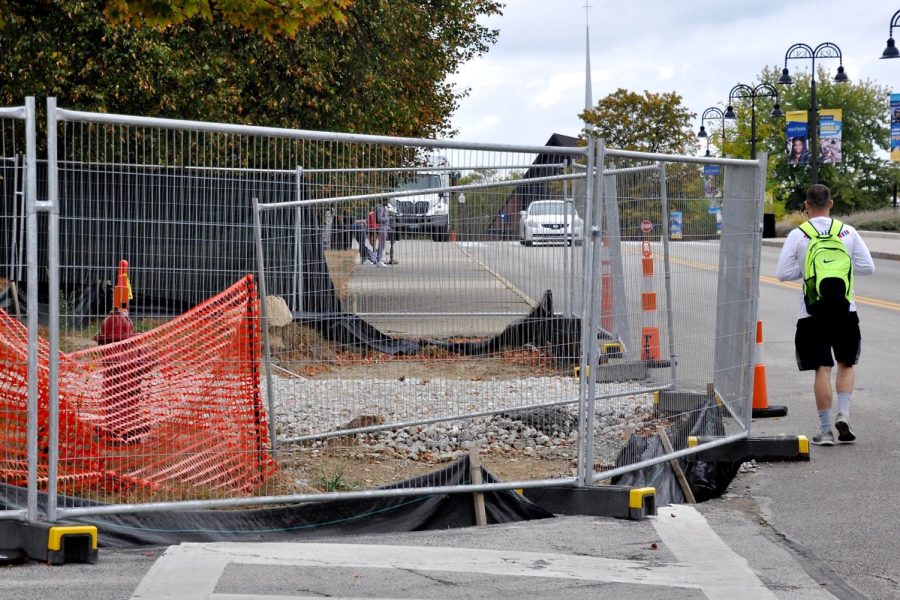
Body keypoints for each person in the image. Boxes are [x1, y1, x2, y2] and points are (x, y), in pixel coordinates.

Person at [775, 184, 875, 446]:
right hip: (846, 309)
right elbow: (868, 267)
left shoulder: (799, 234)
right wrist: (841, 269)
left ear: (806, 206)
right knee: (846, 363)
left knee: (822, 367)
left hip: (812, 311)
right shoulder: (848, 231)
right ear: (830, 204)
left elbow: (783, 274)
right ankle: (844, 414)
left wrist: (810, 272)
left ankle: (826, 430)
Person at [374, 198, 391, 268]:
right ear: (383, 201)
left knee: (382, 244)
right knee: (381, 244)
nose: (387, 202)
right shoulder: (380, 208)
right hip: (382, 228)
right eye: (386, 201)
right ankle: (379, 261)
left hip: (384, 227)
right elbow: (379, 219)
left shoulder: (384, 208)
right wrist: (388, 219)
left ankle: (379, 260)